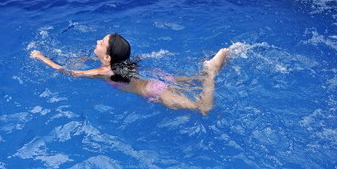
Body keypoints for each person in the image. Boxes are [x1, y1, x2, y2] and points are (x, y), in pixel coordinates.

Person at [30, 33, 242, 116]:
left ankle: (212, 72)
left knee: (202, 109)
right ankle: (212, 65)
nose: (97, 42)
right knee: (193, 79)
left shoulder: (103, 71)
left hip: (156, 91)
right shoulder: (120, 64)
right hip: (159, 78)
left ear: (108, 58)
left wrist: (41, 57)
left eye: (101, 43)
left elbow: (69, 73)